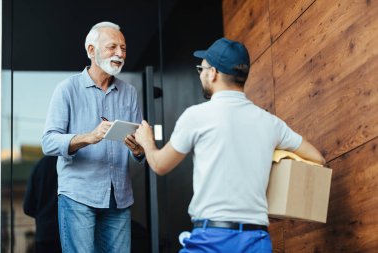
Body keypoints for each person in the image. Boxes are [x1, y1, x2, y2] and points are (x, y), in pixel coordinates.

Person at [132, 37, 326, 253]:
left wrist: (147, 141)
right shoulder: (271, 123)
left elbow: (160, 165)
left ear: (213, 72)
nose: (202, 74)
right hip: (257, 240)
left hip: (211, 240)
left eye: (201, 69)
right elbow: (318, 159)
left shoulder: (196, 116)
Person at [42, 21, 144, 253]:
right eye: (112, 47)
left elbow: (140, 146)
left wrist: (138, 149)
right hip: (78, 196)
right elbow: (48, 141)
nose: (120, 53)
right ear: (91, 51)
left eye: (124, 48)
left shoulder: (129, 92)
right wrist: (88, 137)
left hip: (119, 197)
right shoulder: (66, 89)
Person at [23, 156, 62, 253]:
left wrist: (42, 216)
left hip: (44, 235)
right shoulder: (71, 163)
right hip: (66, 233)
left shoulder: (40, 165)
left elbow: (27, 207)